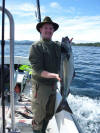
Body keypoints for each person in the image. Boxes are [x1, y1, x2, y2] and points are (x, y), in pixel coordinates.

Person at [29, 16, 68, 133]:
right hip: (40, 88)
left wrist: (67, 45)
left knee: (49, 114)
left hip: (53, 87)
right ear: (40, 30)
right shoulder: (36, 47)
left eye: (51, 28)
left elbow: (65, 51)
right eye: (46, 27)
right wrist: (54, 76)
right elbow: (38, 70)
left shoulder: (56, 45)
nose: (48, 30)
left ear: (53, 31)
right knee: (39, 117)